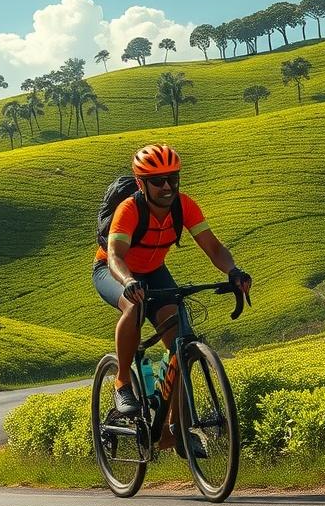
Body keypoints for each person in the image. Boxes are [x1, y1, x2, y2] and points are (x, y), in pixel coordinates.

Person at [92, 143, 252, 452]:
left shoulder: (184, 206)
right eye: (157, 180)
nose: (167, 186)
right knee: (134, 306)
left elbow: (214, 247)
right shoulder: (129, 209)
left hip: (154, 271)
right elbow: (114, 255)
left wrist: (233, 271)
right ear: (141, 184)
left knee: (181, 343)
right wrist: (127, 281)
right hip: (113, 271)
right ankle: (123, 380)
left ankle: (173, 430)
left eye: (172, 178)